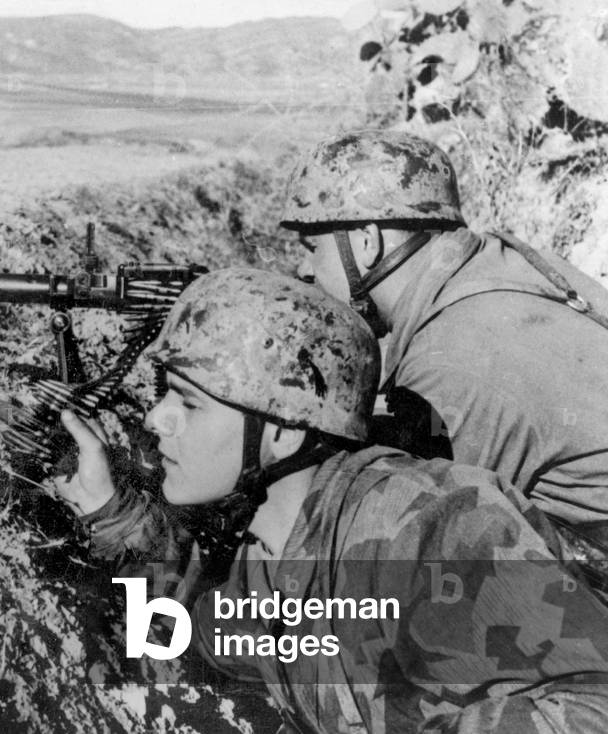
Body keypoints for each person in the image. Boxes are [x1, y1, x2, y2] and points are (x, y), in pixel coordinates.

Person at [53, 268, 608, 733]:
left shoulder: (426, 525)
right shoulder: (267, 554)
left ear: (284, 434)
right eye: (163, 394)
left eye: (189, 403)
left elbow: (594, 703)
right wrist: (113, 514)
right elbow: (186, 632)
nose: (156, 419)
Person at [278, 129, 608, 560]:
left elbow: (418, 536)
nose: (305, 269)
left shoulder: (451, 357)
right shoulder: (498, 267)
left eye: (312, 247)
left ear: (366, 242)